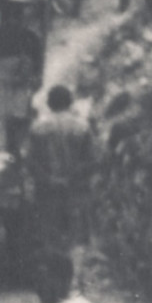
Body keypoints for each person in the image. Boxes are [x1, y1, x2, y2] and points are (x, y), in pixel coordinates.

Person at [25, 85, 97, 254]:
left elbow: (30, 161)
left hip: (47, 191)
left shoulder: (38, 127)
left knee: (49, 236)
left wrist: (49, 179)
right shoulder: (83, 127)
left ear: (50, 103)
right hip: (75, 191)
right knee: (75, 239)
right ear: (70, 102)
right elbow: (92, 161)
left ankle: (51, 272)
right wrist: (71, 179)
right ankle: (71, 274)